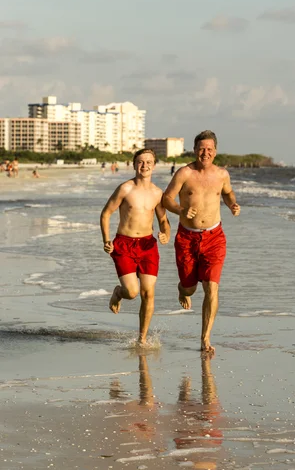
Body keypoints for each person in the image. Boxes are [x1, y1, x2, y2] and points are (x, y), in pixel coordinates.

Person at [163, 130, 240, 354]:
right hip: (187, 237)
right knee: (190, 288)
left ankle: (205, 338)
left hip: (214, 237)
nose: (205, 153)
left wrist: (232, 204)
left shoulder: (222, 174)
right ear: (195, 150)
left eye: (209, 149)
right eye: (201, 149)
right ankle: (182, 290)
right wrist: (181, 209)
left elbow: (227, 193)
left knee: (212, 288)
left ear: (215, 151)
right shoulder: (184, 173)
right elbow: (167, 199)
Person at [100, 148, 170, 345]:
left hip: (148, 246)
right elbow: (106, 213)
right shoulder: (125, 188)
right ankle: (118, 293)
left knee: (148, 293)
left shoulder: (158, 193)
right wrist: (106, 240)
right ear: (134, 164)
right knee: (132, 292)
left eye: (148, 162)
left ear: (154, 166)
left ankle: (142, 338)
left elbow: (164, 221)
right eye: (140, 162)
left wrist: (166, 234)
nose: (144, 165)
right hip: (124, 244)